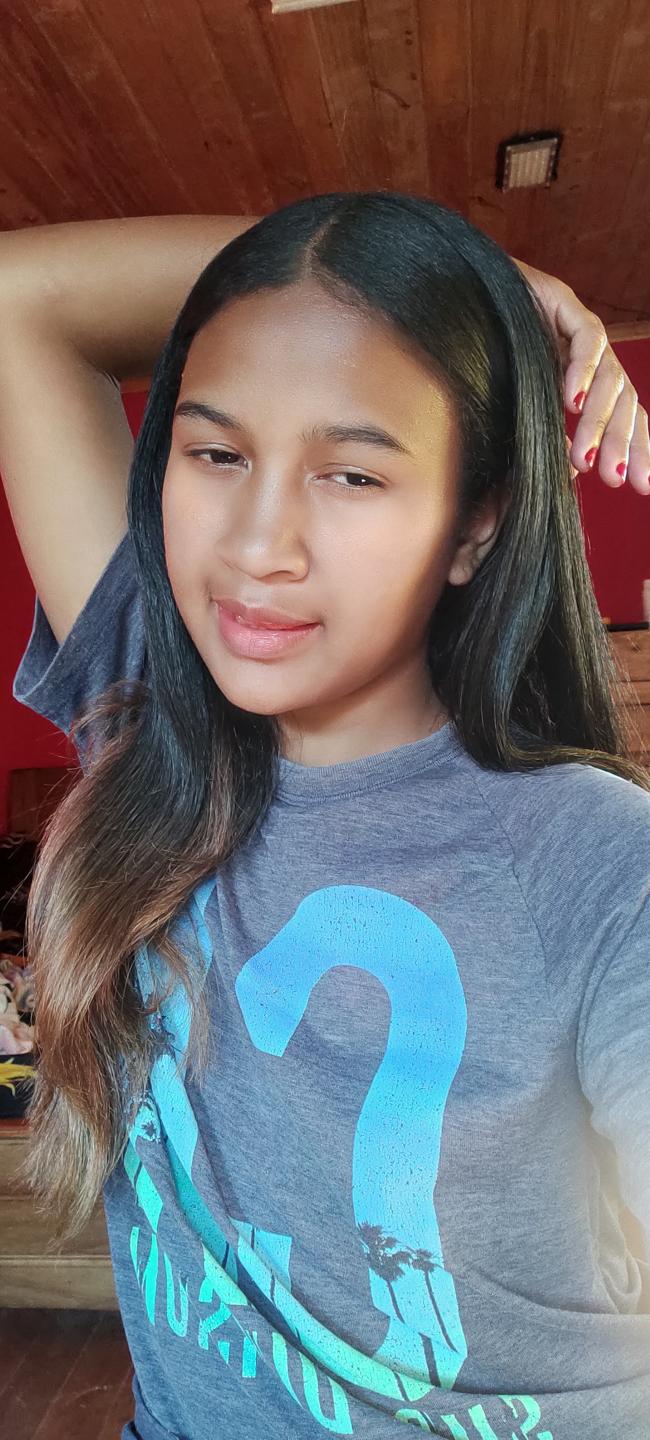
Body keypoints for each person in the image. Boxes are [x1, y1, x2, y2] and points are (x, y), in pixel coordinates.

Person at [2, 193, 649, 1440]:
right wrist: (471, 275)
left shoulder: (597, 862)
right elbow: (17, 300)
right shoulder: (153, 724)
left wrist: (452, 289)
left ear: (474, 523)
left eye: (351, 473)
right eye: (216, 453)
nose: (260, 546)